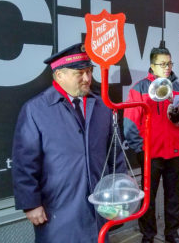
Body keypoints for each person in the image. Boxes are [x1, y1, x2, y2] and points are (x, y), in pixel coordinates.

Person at [12, 43, 127, 243]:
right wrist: (30, 204)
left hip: (98, 207)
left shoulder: (103, 106)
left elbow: (115, 152)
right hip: (57, 210)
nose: (87, 79)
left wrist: (118, 190)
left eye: (90, 72)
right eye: (80, 73)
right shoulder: (36, 110)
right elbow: (24, 162)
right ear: (59, 76)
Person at [124, 46, 179, 243]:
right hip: (151, 155)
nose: (167, 67)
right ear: (152, 65)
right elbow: (129, 124)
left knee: (174, 198)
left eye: (170, 63)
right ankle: (148, 236)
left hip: (174, 153)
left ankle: (171, 234)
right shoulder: (139, 88)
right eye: (162, 64)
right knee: (147, 200)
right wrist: (141, 150)